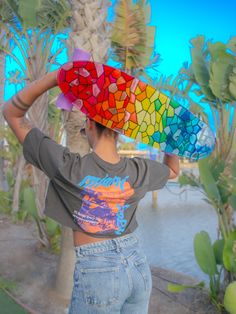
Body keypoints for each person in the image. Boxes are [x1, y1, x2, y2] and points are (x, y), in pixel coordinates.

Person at [3, 70, 179, 314]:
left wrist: (57, 78)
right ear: (118, 131)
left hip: (99, 273)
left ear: (88, 124)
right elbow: (173, 171)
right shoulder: (139, 169)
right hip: (138, 265)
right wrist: (171, 142)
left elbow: (12, 113)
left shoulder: (68, 167)